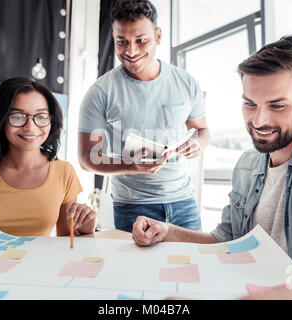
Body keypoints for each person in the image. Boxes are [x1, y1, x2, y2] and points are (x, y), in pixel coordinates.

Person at [131, 35, 292, 299]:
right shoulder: (246, 165)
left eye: (277, 106)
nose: (259, 120)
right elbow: (228, 240)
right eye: (250, 104)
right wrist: (168, 231)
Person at [78, 0, 210, 232]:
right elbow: (87, 157)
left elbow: (202, 130)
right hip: (132, 206)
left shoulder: (186, 83)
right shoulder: (100, 92)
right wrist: (130, 165)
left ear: (158, 36)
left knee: (190, 267)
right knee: (139, 270)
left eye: (141, 41)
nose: (130, 51)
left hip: (184, 203)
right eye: (122, 42)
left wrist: (197, 143)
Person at [0, 77, 96, 237]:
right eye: (17, 116)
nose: (30, 127)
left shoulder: (64, 172)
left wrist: (86, 230)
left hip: (41, 262)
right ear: (1, 119)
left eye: (41, 116)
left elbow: (67, 242)